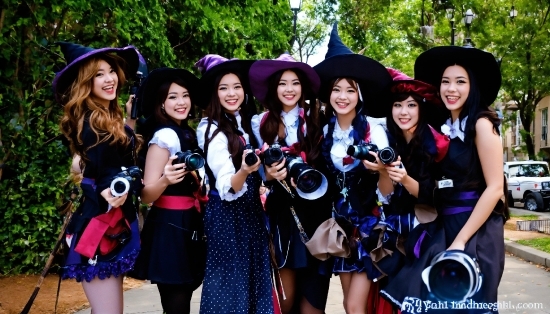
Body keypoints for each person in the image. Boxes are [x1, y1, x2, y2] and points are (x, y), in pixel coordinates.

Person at [381, 46, 508, 314]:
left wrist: (461, 241)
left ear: (472, 87)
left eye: (460, 82)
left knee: (468, 304)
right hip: (444, 225)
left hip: (477, 229)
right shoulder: (443, 129)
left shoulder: (482, 124)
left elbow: (495, 188)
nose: (451, 88)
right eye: (445, 82)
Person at [55, 42, 143, 314]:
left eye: (111, 71)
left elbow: (109, 159)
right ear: (86, 83)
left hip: (111, 227)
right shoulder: (93, 120)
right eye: (99, 74)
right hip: (100, 229)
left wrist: (130, 121)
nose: (109, 79)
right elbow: (105, 172)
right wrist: (107, 187)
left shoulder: (106, 117)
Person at [313, 24, 393, 314]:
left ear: (360, 95)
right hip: (339, 231)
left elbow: (388, 191)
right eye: (337, 89)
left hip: (369, 230)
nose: (342, 96)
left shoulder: (375, 131)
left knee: (355, 306)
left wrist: (382, 170)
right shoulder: (323, 132)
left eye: (350, 89)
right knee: (351, 306)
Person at [249, 53, 332, 314]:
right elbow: (255, 172)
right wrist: (270, 175)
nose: (289, 89)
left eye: (295, 82)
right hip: (282, 214)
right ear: (274, 88)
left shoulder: (318, 121)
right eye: (282, 83)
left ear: (303, 87)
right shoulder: (259, 123)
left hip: (316, 213)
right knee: (285, 300)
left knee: (313, 303)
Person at [194, 54, 275, 313]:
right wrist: (243, 170)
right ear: (214, 93)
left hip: (251, 213)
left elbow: (262, 176)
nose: (232, 93)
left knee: (253, 286)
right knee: (229, 291)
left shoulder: (247, 123)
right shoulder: (210, 128)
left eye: (237, 86)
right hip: (227, 216)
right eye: (224, 88)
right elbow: (227, 185)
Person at [130, 68, 206, 314]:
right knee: (177, 303)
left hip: (189, 222)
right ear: (161, 103)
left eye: (185, 95)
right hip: (169, 227)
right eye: (172, 97)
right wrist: (165, 180)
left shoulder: (187, 133)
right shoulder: (164, 136)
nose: (181, 102)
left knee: (183, 294)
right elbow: (145, 194)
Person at [372, 68, 448, 313]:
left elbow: (436, 196)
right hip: (394, 230)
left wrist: (405, 179)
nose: (403, 112)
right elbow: (385, 195)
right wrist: (383, 172)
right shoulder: (387, 141)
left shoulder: (438, 144)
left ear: (421, 108)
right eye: (397, 105)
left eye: (411, 105)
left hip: (427, 234)